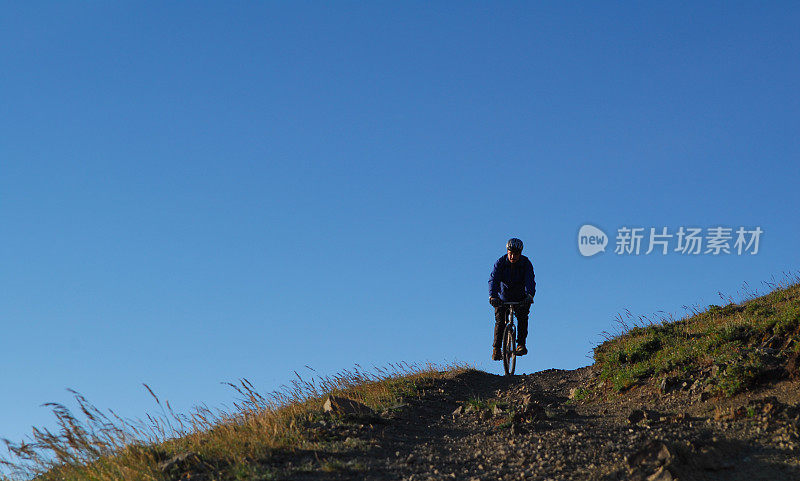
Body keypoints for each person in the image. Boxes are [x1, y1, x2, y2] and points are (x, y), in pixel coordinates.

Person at [488, 238, 535, 361]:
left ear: (520, 253)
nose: (513, 256)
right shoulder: (500, 263)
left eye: (516, 254)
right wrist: (493, 296)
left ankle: (521, 344)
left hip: (520, 297)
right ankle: (496, 349)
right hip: (502, 298)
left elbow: (530, 280)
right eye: (511, 253)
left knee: (522, 318)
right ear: (507, 252)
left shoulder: (526, 263)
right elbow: (493, 280)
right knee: (500, 321)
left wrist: (530, 295)